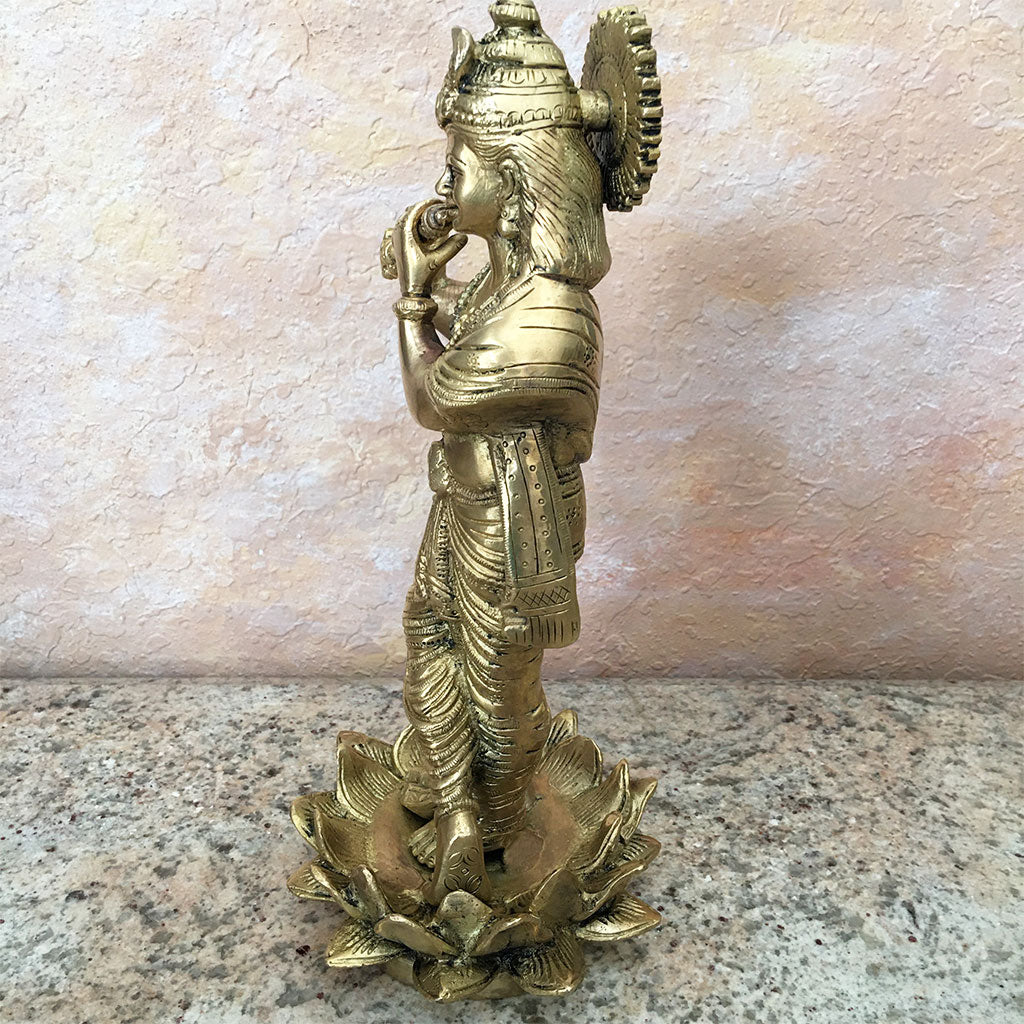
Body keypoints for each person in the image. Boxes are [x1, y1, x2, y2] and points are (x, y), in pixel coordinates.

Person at [388, 0, 611, 903]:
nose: (444, 186)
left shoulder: (548, 317)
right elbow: (464, 347)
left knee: (498, 687)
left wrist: (413, 301)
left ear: (514, 183)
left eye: (458, 168)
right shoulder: (505, 287)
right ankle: (455, 807)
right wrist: (434, 281)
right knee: (429, 636)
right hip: (466, 502)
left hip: (515, 533)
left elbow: (437, 396)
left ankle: (501, 828)